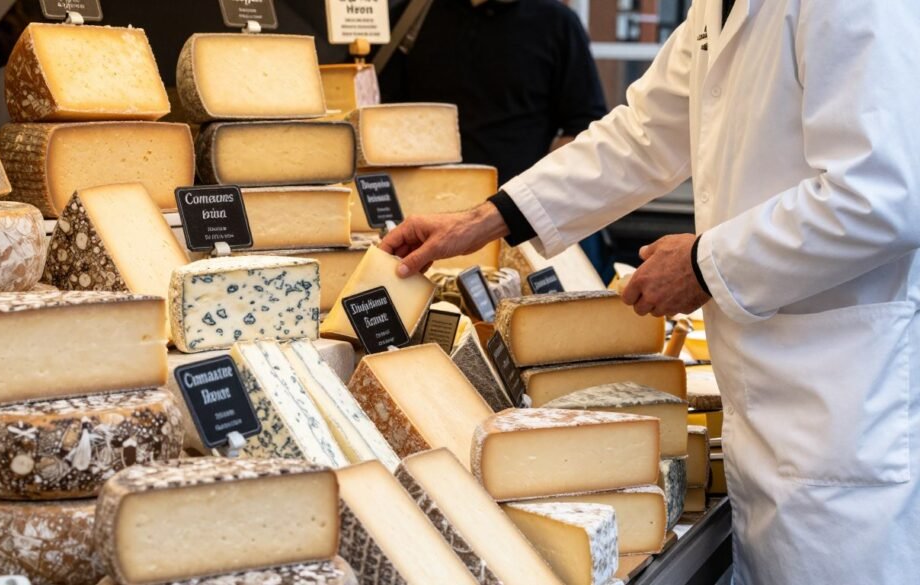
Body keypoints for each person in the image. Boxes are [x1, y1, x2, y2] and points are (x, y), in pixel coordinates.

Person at [381, 1, 920, 583]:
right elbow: (642, 135)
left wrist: (704, 265)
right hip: (769, 412)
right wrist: (483, 220)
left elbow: (884, 194)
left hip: (842, 405)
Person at [381, 0, 612, 278]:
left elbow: (584, 128)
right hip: (429, 222)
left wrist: (535, 198)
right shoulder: (413, 15)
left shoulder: (557, 22)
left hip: (519, 223)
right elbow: (383, 118)